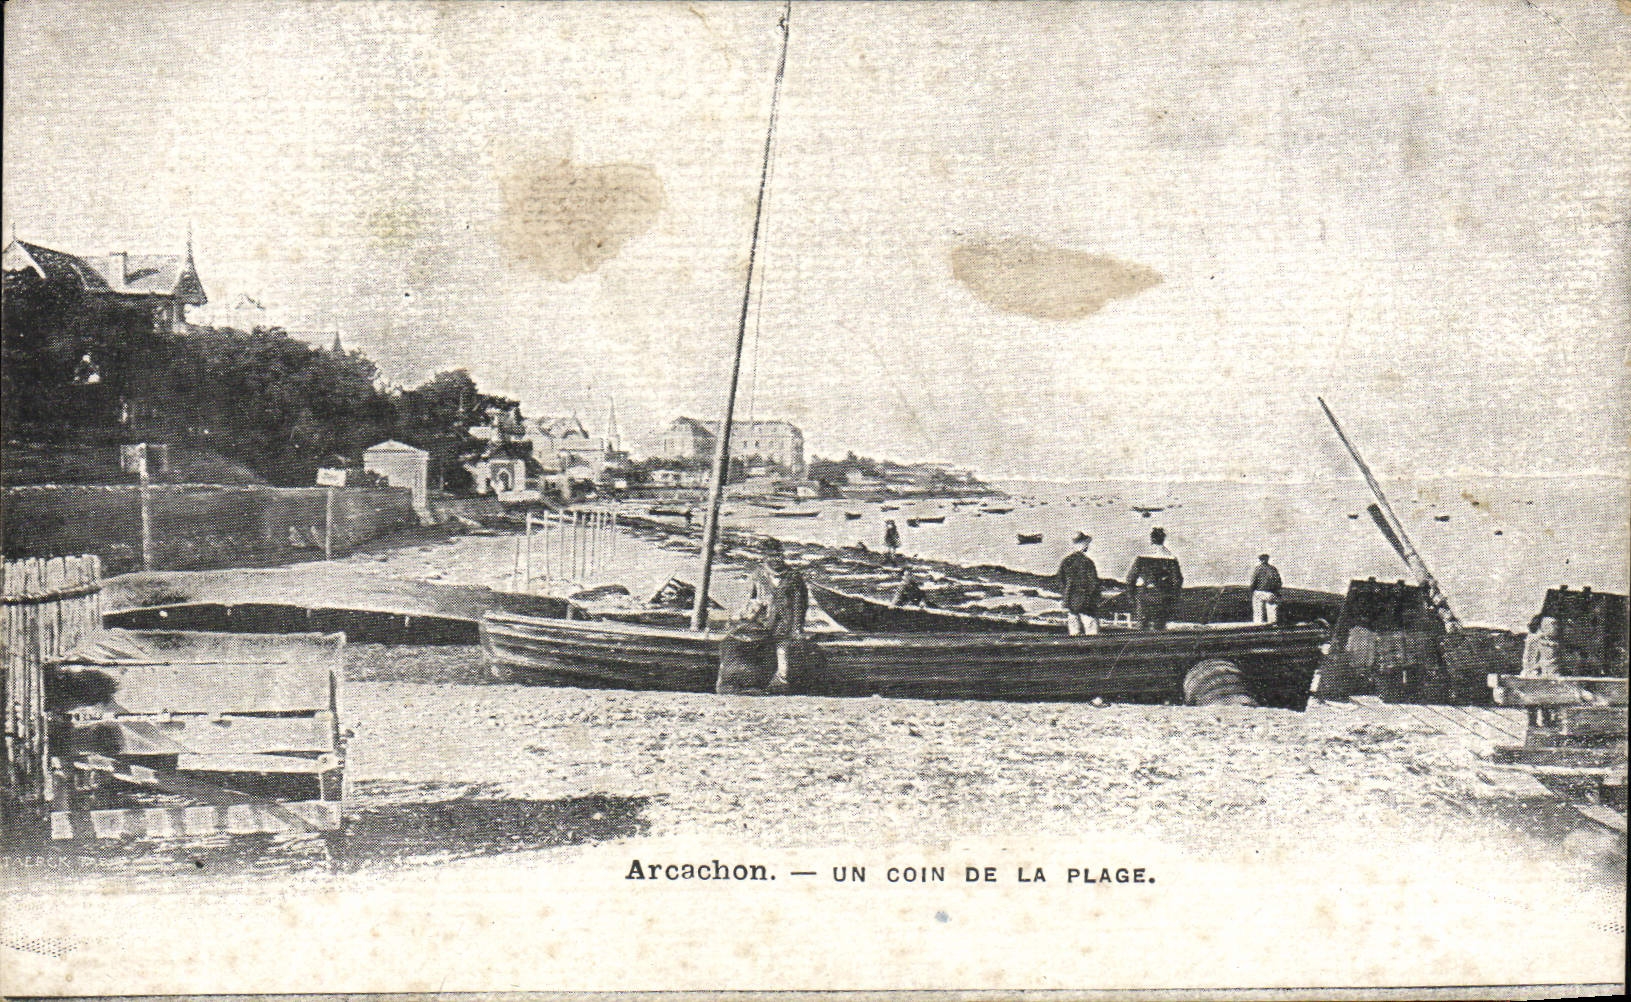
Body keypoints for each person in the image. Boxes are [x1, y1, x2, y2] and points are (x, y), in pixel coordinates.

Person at [718, 538, 809, 695]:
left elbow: (800, 605)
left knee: (783, 656)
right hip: (762, 624)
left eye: (778, 555)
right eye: (771, 556)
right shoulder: (758, 575)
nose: (775, 559)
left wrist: (797, 627)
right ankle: (751, 684)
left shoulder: (794, 577)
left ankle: (781, 685)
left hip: (784, 624)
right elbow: (749, 600)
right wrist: (743, 616)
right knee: (754, 654)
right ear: (764, 557)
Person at [1126, 527, 1183, 630]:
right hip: (1162, 597)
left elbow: (1130, 579)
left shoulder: (1142, 557)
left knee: (1142, 629)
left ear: (1151, 539)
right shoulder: (1171, 558)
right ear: (1163, 539)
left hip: (1143, 596)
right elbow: (1177, 580)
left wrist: (1131, 597)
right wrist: (1173, 598)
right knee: (1159, 629)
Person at [1056, 532, 1100, 635]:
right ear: (1083, 544)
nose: (1088, 546)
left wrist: (1066, 594)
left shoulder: (1066, 561)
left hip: (1071, 602)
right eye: (1086, 544)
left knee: (1074, 631)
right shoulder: (1088, 562)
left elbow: (1060, 581)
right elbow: (1094, 583)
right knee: (1092, 630)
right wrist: (1094, 598)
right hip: (1086, 603)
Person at [1250, 553, 1282, 625]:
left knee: (1258, 610)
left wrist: (1252, 590)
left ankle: (1258, 624)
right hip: (1271, 592)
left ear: (1260, 560)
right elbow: (1279, 582)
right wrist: (1275, 591)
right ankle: (1273, 624)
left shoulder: (1258, 569)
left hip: (1259, 592)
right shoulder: (1273, 569)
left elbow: (1253, 582)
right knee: (1272, 611)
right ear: (1268, 559)